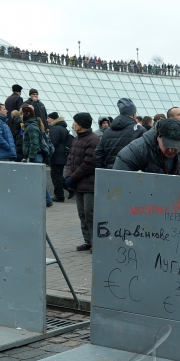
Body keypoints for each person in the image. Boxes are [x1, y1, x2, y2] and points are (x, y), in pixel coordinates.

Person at [114, 118, 180, 177]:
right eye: (167, 144)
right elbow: (120, 181)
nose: (171, 150)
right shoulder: (136, 150)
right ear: (158, 136)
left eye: (176, 146)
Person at [65, 113, 100, 251]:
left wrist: (72, 177)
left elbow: (89, 163)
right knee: (82, 213)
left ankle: (95, 242)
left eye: (75, 122)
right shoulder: (77, 139)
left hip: (89, 184)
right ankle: (88, 241)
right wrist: (68, 175)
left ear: (81, 123)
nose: (73, 124)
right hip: (78, 183)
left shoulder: (93, 140)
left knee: (90, 213)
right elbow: (70, 159)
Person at [93, 98, 144, 170]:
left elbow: (97, 154)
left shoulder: (107, 132)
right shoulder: (140, 130)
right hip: (131, 175)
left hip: (109, 174)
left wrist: (104, 169)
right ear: (134, 114)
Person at [21, 105, 53, 207]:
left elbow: (34, 144)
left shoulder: (31, 127)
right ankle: (47, 200)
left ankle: (47, 200)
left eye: (21, 114)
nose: (20, 116)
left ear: (26, 114)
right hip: (35, 156)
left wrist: (30, 158)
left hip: (35, 156)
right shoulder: (32, 125)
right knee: (38, 179)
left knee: (37, 179)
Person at [48, 112, 72, 203]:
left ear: (53, 119)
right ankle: (69, 188)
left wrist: (48, 153)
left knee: (55, 176)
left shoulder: (55, 129)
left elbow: (52, 143)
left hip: (56, 156)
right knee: (58, 175)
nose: (47, 120)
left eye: (49, 118)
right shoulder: (63, 128)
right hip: (62, 155)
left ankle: (59, 196)